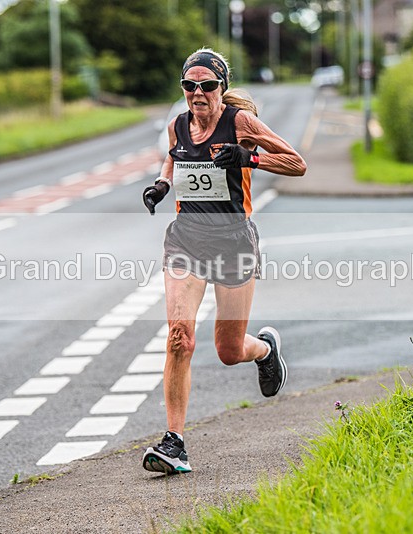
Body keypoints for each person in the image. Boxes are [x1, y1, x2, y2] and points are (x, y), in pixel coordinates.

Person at [141, 48, 306, 474]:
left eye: (207, 85)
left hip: (234, 242)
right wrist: (161, 185)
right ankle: (175, 443)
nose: (197, 93)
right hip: (187, 241)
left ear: (222, 89)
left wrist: (249, 157)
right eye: (189, 85)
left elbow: (296, 163)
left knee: (229, 350)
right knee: (180, 335)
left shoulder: (241, 123)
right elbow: (173, 156)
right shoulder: (178, 124)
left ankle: (265, 350)